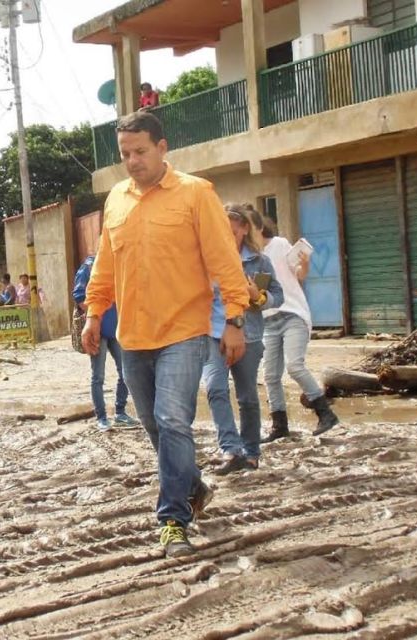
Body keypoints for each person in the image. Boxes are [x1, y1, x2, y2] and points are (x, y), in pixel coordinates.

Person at [81, 111, 250, 558]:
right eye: (125, 154)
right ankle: (194, 485)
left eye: (140, 151)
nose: (132, 161)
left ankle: (173, 520)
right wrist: (93, 313)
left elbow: (223, 260)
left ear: (162, 147)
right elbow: (106, 264)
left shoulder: (196, 194)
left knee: (174, 420)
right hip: (133, 334)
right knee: (155, 425)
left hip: (184, 329)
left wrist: (234, 320)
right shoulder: (116, 199)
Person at [203, 204, 284, 475]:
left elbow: (277, 296)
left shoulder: (260, 262)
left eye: (232, 231)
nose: (226, 237)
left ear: (244, 229)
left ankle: (251, 452)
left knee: (247, 396)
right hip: (212, 333)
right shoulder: (205, 260)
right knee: (215, 388)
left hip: (248, 335)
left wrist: (256, 296)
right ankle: (230, 449)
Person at [261, 217, 339, 440]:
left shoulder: (279, 244)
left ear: (255, 227)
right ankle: (279, 426)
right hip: (267, 320)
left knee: (295, 366)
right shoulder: (246, 255)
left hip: (292, 314)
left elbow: (300, 274)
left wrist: (304, 263)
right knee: (270, 376)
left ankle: (325, 413)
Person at [73, 254, 140, 432]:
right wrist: (94, 318)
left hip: (117, 329)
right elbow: (80, 297)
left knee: (126, 373)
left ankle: (120, 412)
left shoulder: (119, 264)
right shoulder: (88, 267)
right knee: (98, 376)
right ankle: (101, 418)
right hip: (98, 332)